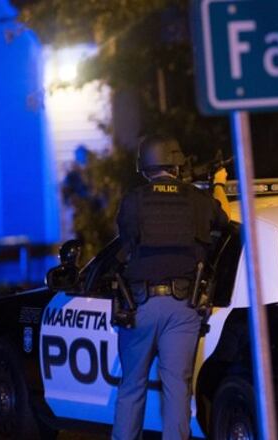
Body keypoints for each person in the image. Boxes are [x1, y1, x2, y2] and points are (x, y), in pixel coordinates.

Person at [112, 134, 231, 440]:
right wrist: (218, 182)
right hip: (182, 307)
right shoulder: (194, 198)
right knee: (177, 387)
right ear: (177, 164)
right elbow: (224, 218)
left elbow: (125, 242)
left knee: (131, 386)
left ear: (144, 167)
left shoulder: (133, 200)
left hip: (139, 305)